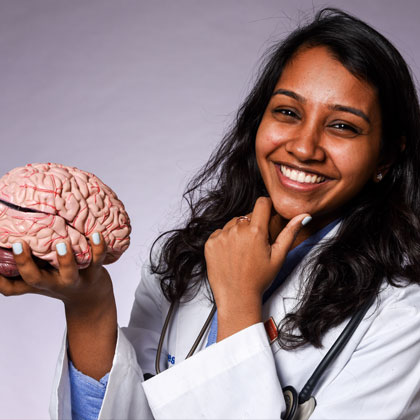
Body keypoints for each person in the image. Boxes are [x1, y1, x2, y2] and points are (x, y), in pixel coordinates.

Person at [2, 7, 420, 419]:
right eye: (288, 113)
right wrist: (89, 305)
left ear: (386, 155)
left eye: (343, 126)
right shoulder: (187, 258)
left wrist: (238, 300)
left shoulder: (404, 315)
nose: (304, 147)